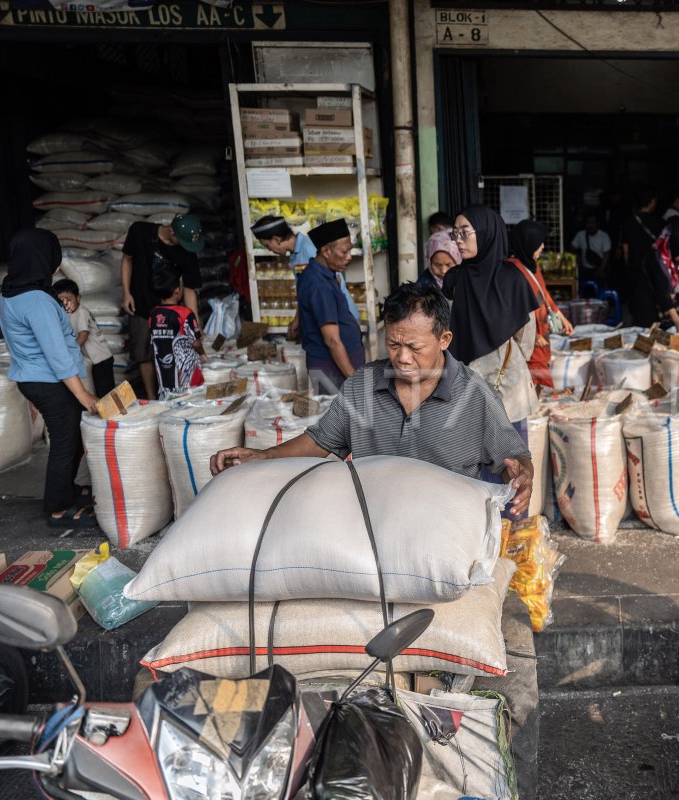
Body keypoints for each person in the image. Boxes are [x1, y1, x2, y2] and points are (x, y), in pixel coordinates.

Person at [207, 283, 540, 796]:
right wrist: (262, 458)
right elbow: (320, 443)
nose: (402, 358)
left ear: (445, 339)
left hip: (436, 554)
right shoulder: (363, 387)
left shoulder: (475, 396)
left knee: (501, 655)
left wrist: (523, 473)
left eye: (416, 346)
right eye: (394, 343)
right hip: (362, 542)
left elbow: (514, 456)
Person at [0, 229, 98, 528]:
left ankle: (66, 491)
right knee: (66, 441)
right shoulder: (36, 300)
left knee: (71, 437)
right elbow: (56, 354)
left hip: (37, 378)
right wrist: (85, 396)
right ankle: (57, 507)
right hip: (49, 380)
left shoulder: (12, 291)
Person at [444, 205, 540, 504]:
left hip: (506, 392)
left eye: (464, 232)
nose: (458, 240)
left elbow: (527, 339)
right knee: (473, 478)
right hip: (468, 390)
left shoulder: (513, 278)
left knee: (512, 471)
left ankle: (511, 540)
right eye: (455, 233)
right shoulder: (454, 279)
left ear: (486, 233)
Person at [120, 214, 203, 400]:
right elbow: (127, 259)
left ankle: (175, 395)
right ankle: (151, 399)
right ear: (171, 230)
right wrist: (126, 293)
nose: (185, 247)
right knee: (143, 353)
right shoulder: (140, 231)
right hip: (141, 304)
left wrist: (195, 325)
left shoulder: (188, 251)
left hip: (170, 313)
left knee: (173, 353)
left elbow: (189, 289)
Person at [251, 215, 358, 341]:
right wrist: (298, 319)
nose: (270, 250)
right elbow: (305, 292)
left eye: (268, 246)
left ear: (277, 239)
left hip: (338, 318)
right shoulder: (295, 255)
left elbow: (334, 282)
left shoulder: (309, 248)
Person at [297, 219, 365, 393]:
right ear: (326, 251)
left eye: (350, 249)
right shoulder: (319, 285)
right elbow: (332, 340)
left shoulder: (326, 274)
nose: (349, 256)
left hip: (337, 367)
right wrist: (352, 378)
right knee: (338, 417)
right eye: (344, 251)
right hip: (331, 370)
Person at [508, 219, 575, 388]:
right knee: (540, 383)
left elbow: (543, 293)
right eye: (539, 243)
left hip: (540, 335)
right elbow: (511, 309)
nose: (543, 247)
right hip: (528, 340)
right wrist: (532, 335)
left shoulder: (532, 266)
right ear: (528, 243)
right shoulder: (512, 272)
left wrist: (560, 315)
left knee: (541, 377)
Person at [149, 267, 207, 400]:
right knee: (190, 403)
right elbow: (196, 342)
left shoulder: (153, 314)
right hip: (186, 375)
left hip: (164, 374)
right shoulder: (185, 314)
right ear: (176, 290)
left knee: (169, 403)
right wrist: (203, 353)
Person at [52, 277, 115, 396]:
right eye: (61, 301)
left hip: (101, 359)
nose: (66, 303)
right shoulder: (69, 314)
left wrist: (71, 351)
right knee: (99, 391)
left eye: (69, 299)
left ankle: (114, 414)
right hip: (95, 360)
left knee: (106, 392)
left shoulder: (81, 312)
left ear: (78, 298)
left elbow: (83, 335)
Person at [630, 227, 679, 332]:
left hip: (663, 305)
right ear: (674, 247)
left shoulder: (674, 260)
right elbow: (662, 292)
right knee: (647, 337)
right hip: (647, 304)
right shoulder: (657, 260)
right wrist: (677, 320)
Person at [619, 186, 660, 302]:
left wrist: (629, 267)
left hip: (635, 269)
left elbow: (625, 250)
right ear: (651, 201)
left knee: (637, 302)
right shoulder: (659, 222)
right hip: (654, 269)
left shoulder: (628, 222)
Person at [570, 212, 611, 282]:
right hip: (585, 269)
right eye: (588, 223)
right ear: (585, 224)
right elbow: (572, 248)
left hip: (600, 268)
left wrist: (601, 269)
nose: (590, 225)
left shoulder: (604, 236)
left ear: (597, 224)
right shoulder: (580, 235)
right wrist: (577, 257)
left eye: (593, 223)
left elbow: (607, 255)